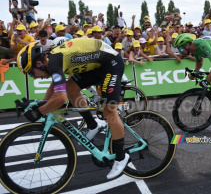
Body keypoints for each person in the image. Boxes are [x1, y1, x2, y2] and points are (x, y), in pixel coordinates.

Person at [17, 38, 129, 179]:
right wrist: (41, 103)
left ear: (38, 64)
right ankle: (93, 125)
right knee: (70, 89)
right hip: (97, 65)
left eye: (31, 73)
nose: (33, 77)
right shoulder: (52, 61)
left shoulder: (53, 62)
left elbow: (60, 99)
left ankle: (121, 157)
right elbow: (56, 86)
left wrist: (39, 112)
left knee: (109, 111)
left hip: (111, 63)